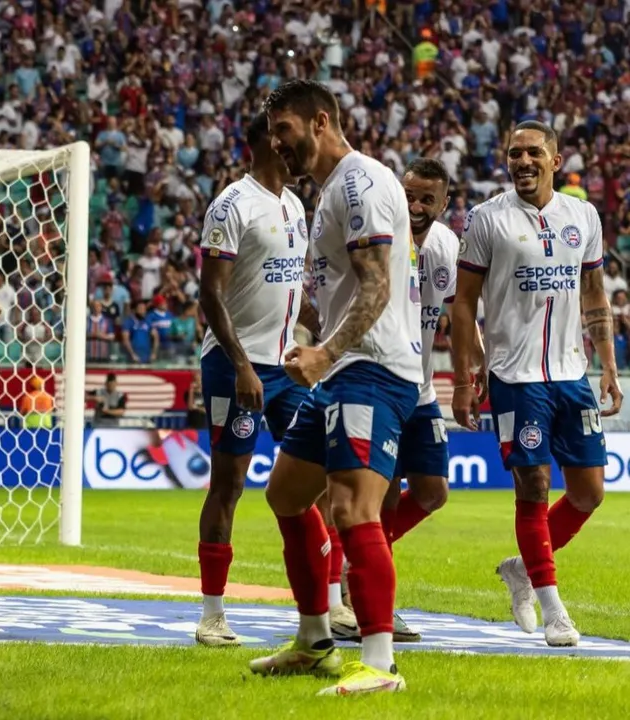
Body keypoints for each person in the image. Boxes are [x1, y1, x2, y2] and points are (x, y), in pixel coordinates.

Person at [251, 79, 421, 695]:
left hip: (371, 371)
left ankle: (379, 663)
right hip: (346, 370)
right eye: (272, 135)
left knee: (353, 508)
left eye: (285, 132)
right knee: (286, 494)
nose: (277, 145)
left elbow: (376, 288)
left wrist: (325, 351)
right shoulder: (327, 195)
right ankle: (315, 641)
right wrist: (316, 344)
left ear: (320, 121)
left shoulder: (360, 182)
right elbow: (353, 292)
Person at [451, 120, 621, 648]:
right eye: (513, 153)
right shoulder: (487, 218)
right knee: (533, 487)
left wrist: (608, 366)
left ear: (555, 158)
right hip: (515, 376)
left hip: (573, 374)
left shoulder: (583, 215)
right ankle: (552, 608)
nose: (522, 161)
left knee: (589, 493)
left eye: (532, 153)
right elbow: (462, 303)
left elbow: (594, 294)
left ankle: (521, 570)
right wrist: (467, 371)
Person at [194, 115, 321, 646]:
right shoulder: (232, 205)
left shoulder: (294, 205)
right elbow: (210, 294)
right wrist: (243, 364)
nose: (302, 151)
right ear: (274, 142)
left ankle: (324, 609)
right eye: (294, 140)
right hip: (234, 364)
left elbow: (295, 289)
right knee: (230, 483)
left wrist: (320, 338)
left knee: (314, 478)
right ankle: (212, 614)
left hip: (288, 365)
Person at [378, 158, 466, 642]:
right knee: (385, 494)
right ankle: (374, 596)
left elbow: (459, 314)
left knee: (432, 491)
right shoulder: (382, 237)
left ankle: (358, 561)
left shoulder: (448, 246)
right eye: (408, 195)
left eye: (426, 199)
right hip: (383, 383)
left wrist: (469, 377)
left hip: (424, 389)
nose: (414, 206)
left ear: (443, 203)